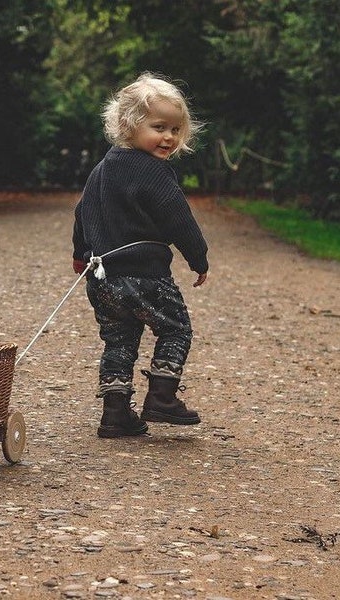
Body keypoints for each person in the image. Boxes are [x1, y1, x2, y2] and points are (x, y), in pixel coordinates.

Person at [72, 72, 209, 438]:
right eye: (159, 127)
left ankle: (115, 413)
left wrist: (79, 254)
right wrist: (199, 258)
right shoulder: (154, 172)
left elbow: (82, 211)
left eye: (176, 130)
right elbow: (178, 217)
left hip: (102, 279)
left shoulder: (102, 169)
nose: (169, 137)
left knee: (119, 341)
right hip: (145, 276)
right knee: (176, 328)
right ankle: (162, 396)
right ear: (127, 125)